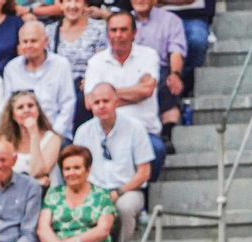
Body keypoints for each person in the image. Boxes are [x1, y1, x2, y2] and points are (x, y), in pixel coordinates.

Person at [71, 83, 152, 242]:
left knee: (125, 207)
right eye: (97, 102)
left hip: (127, 190)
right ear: (90, 106)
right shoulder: (83, 132)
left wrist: (117, 193)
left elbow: (144, 173)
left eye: (106, 101)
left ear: (116, 101)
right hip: (92, 192)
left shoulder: (135, 128)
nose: (101, 106)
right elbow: (76, 169)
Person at [84, 11, 163, 173]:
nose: (118, 35)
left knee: (158, 150)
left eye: (123, 30)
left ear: (134, 33)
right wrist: (135, 94)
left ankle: (144, 192)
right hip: (106, 133)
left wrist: (106, 96)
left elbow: (147, 90)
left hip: (145, 131)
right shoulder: (96, 62)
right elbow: (90, 102)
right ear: (107, 34)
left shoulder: (148, 56)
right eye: (113, 30)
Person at [128, 0, 187, 152]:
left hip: (160, 67)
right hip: (129, 67)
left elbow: (176, 51)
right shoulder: (124, 21)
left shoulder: (171, 20)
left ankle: (166, 133)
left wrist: (175, 74)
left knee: (167, 84)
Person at [3, 19, 76, 140]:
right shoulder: (11, 69)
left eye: (33, 41)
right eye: (25, 42)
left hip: (56, 135)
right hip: (22, 137)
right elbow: (7, 107)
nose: (29, 46)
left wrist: (53, 136)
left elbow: (67, 105)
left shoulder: (61, 65)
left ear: (45, 41)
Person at [48, 0, 108, 122]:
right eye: (68, 1)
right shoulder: (50, 31)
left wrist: (91, 79)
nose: (72, 6)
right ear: (61, 4)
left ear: (85, 4)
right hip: (59, 93)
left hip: (86, 93)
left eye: (77, 1)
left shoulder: (99, 29)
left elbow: (103, 62)